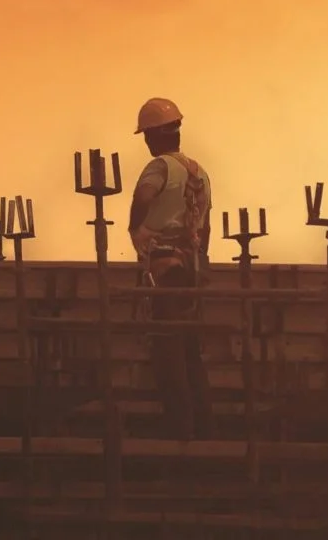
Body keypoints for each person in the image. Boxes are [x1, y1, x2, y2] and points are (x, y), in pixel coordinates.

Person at [127, 96, 216, 440]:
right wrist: (199, 258)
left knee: (168, 355)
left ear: (154, 136)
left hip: (165, 272)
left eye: (147, 135)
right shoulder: (200, 172)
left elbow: (144, 198)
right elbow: (205, 227)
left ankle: (180, 433)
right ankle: (205, 430)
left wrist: (136, 230)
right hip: (191, 271)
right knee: (191, 354)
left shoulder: (159, 167)